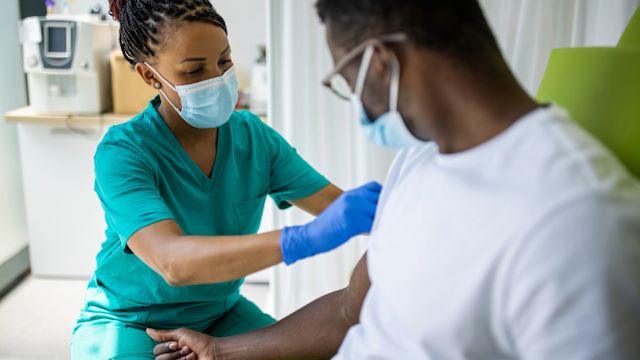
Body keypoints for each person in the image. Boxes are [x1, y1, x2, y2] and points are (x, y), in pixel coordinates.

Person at [149, 0, 640, 359]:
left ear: (380, 61)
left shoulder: (578, 221)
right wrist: (219, 350)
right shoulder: (420, 159)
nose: (359, 103)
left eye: (348, 81)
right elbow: (350, 310)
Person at [70, 0, 382, 358]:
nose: (216, 79)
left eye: (224, 61)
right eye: (194, 70)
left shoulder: (253, 139)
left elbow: (338, 206)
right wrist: (303, 240)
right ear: (150, 76)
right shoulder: (125, 153)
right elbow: (172, 261)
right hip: (131, 321)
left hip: (220, 314)